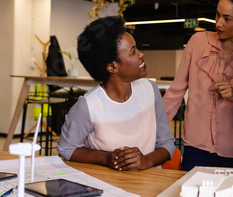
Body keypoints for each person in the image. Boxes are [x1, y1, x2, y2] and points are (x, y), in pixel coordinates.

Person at [163, 0, 233, 171]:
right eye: (217, 14)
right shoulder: (198, 42)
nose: (218, 23)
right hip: (195, 148)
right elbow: (176, 92)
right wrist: (151, 131)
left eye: (227, 18)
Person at [58, 16, 175, 170]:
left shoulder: (150, 90)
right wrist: (106, 158)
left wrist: (146, 161)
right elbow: (67, 149)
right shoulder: (88, 106)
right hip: (107, 187)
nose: (141, 54)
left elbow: (167, 144)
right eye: (133, 52)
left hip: (150, 183)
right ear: (112, 67)